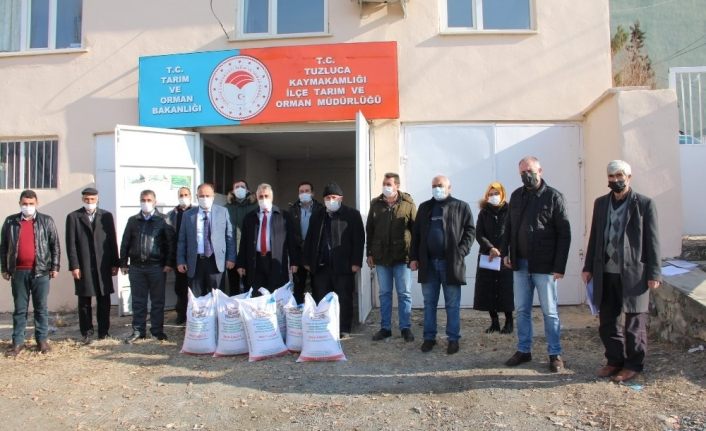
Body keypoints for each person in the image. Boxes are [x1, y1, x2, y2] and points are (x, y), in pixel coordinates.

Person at [582, 160, 661, 383]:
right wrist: (588, 267)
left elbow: (652, 241)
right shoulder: (601, 203)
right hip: (605, 273)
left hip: (634, 273)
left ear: (629, 177)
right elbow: (595, 237)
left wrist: (655, 273)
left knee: (634, 322)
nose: (615, 180)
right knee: (607, 320)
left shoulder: (644, 204)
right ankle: (614, 360)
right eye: (611, 176)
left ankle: (633, 364)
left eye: (619, 175)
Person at [502, 156, 571, 372]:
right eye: (522, 172)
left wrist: (559, 266)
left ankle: (555, 353)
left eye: (529, 171)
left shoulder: (553, 197)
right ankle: (524, 350)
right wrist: (506, 252)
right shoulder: (516, 196)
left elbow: (564, 234)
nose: (526, 175)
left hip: (545, 266)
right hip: (520, 264)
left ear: (540, 170)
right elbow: (509, 227)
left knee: (550, 311)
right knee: (522, 309)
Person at [410, 175, 475, 355]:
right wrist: (413, 257)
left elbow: (470, 230)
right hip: (428, 264)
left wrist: (461, 251)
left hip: (451, 264)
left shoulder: (460, 206)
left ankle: (453, 339)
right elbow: (416, 235)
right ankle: (429, 338)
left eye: (440, 185)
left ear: (449, 187)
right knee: (429, 303)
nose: (437, 188)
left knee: (452, 304)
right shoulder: (424, 208)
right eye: (434, 186)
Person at [1, 190, 60, 356]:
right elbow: (4, 247)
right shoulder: (10, 221)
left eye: (31, 204)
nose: (28, 207)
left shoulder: (46, 221)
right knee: (20, 309)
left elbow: (54, 245)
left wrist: (54, 267)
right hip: (18, 272)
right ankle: (17, 343)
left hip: (40, 272)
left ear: (37, 203)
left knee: (41, 308)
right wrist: (4, 269)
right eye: (25, 204)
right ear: (20, 204)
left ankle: (42, 340)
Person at [303, 182, 365, 338]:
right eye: (328, 197)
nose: (331, 200)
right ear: (324, 199)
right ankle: (324, 327)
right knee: (321, 298)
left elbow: (359, 240)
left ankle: (344, 329)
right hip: (322, 265)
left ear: (341, 198)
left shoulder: (352, 215)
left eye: (334, 197)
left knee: (344, 298)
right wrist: (307, 261)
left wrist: (356, 262)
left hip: (344, 266)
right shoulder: (318, 215)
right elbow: (310, 238)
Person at [65, 187, 120, 344]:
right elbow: (71, 245)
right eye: (87, 199)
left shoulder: (106, 216)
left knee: (104, 299)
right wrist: (74, 265)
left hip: (103, 264)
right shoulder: (74, 217)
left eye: (92, 199)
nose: (90, 202)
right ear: (83, 200)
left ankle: (104, 332)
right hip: (84, 264)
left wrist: (115, 262)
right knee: (84, 300)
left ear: (97, 199)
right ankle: (87, 331)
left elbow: (112, 241)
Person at [366, 172, 416, 342]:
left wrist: (415, 255)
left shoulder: (408, 203)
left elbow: (415, 230)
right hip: (381, 257)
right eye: (384, 183)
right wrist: (369, 253)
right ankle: (385, 328)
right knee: (384, 293)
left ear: (397, 186)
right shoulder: (376, 204)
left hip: (402, 257)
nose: (386, 186)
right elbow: (370, 230)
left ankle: (405, 328)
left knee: (404, 294)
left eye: (389, 184)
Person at [120, 190, 175, 343]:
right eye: (143, 199)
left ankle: (157, 331)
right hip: (137, 267)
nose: (146, 202)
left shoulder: (163, 220)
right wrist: (123, 262)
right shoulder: (133, 220)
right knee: (138, 301)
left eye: (149, 199)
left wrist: (169, 263)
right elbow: (125, 242)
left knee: (157, 301)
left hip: (156, 267)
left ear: (154, 202)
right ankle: (138, 331)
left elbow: (171, 243)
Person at [237, 183, 299, 293]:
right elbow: (244, 242)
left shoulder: (283, 216)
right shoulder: (250, 217)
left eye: (266, 196)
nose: (263, 199)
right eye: (261, 196)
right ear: (257, 197)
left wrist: (294, 261)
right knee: (256, 294)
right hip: (256, 261)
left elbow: (291, 241)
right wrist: (241, 263)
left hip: (276, 261)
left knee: (276, 294)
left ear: (272, 197)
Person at [177, 183, 235, 297]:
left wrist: (231, 258)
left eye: (208, 195)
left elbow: (229, 237)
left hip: (216, 262)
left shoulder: (223, 212)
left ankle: (216, 316)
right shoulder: (188, 215)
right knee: (196, 299)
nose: (205, 198)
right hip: (195, 262)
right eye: (202, 196)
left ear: (213, 196)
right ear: (197, 197)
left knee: (217, 298)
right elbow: (182, 239)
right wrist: (180, 260)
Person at [473, 182, 514, 334]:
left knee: (505, 288)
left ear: (502, 194)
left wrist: (502, 250)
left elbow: (512, 232)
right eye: (490, 194)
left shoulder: (510, 210)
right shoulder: (483, 213)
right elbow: (479, 233)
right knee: (488, 288)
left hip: (505, 256)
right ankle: (494, 321)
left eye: (496, 193)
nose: (493, 197)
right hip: (488, 255)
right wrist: (490, 248)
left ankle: (509, 321)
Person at [287, 181, 324, 304]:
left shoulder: (321, 210)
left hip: (315, 255)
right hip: (298, 255)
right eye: (301, 192)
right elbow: (290, 238)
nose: (304, 194)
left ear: (312, 193)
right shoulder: (292, 211)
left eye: (307, 191)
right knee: (298, 289)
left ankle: (316, 316)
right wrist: (293, 261)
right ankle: (298, 317)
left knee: (318, 288)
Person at [225, 179, 257, 294]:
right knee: (233, 287)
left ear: (247, 190)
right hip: (232, 253)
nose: (239, 189)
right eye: (236, 187)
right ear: (233, 191)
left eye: (242, 186)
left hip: (250, 252)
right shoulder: (226, 208)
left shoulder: (255, 207)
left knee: (250, 286)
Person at [166, 187, 193, 324]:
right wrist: (171, 261)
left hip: (193, 257)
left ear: (191, 196)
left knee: (193, 288)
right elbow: (168, 239)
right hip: (178, 257)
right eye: (181, 195)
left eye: (186, 195)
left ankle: (193, 315)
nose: (183, 197)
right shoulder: (171, 215)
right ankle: (181, 314)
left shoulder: (195, 212)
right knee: (180, 288)